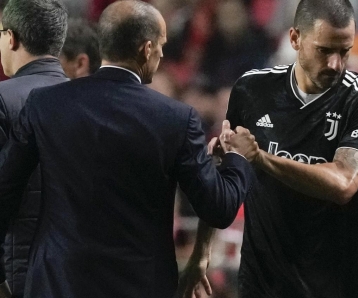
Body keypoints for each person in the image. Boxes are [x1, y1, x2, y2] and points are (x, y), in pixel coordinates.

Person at [0, 1, 259, 297]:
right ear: (146, 49)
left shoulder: (44, 105)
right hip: (139, 286)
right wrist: (238, 159)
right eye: (161, 45)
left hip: (57, 283)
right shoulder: (175, 119)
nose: (163, 53)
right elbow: (219, 207)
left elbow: (4, 192)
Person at [178, 0, 358, 297]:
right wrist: (202, 254)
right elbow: (224, 173)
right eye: (324, 50)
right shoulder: (251, 90)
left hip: (338, 285)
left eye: (345, 50)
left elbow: (344, 183)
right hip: (262, 282)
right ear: (295, 38)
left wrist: (261, 158)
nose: (335, 64)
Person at [0, 0, 69, 296]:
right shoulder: (90, 102)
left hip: (16, 272)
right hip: (73, 273)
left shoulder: (3, 99)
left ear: (11, 37)